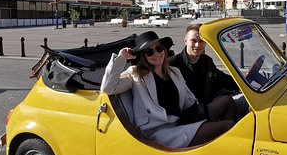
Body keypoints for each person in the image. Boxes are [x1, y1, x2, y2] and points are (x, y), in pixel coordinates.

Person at [101, 31, 236, 148]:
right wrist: (121, 57)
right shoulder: (135, 74)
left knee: (227, 101)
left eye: (159, 48)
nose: (156, 54)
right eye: (149, 52)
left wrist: (203, 111)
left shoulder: (174, 72)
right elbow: (108, 87)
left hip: (183, 118)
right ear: (143, 56)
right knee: (229, 126)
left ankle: (222, 149)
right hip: (161, 131)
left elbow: (189, 100)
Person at [170, 24, 239, 105]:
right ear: (185, 41)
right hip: (186, 111)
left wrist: (241, 82)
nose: (197, 45)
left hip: (205, 106)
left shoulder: (207, 61)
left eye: (201, 41)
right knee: (228, 101)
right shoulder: (172, 64)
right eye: (193, 40)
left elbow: (221, 78)